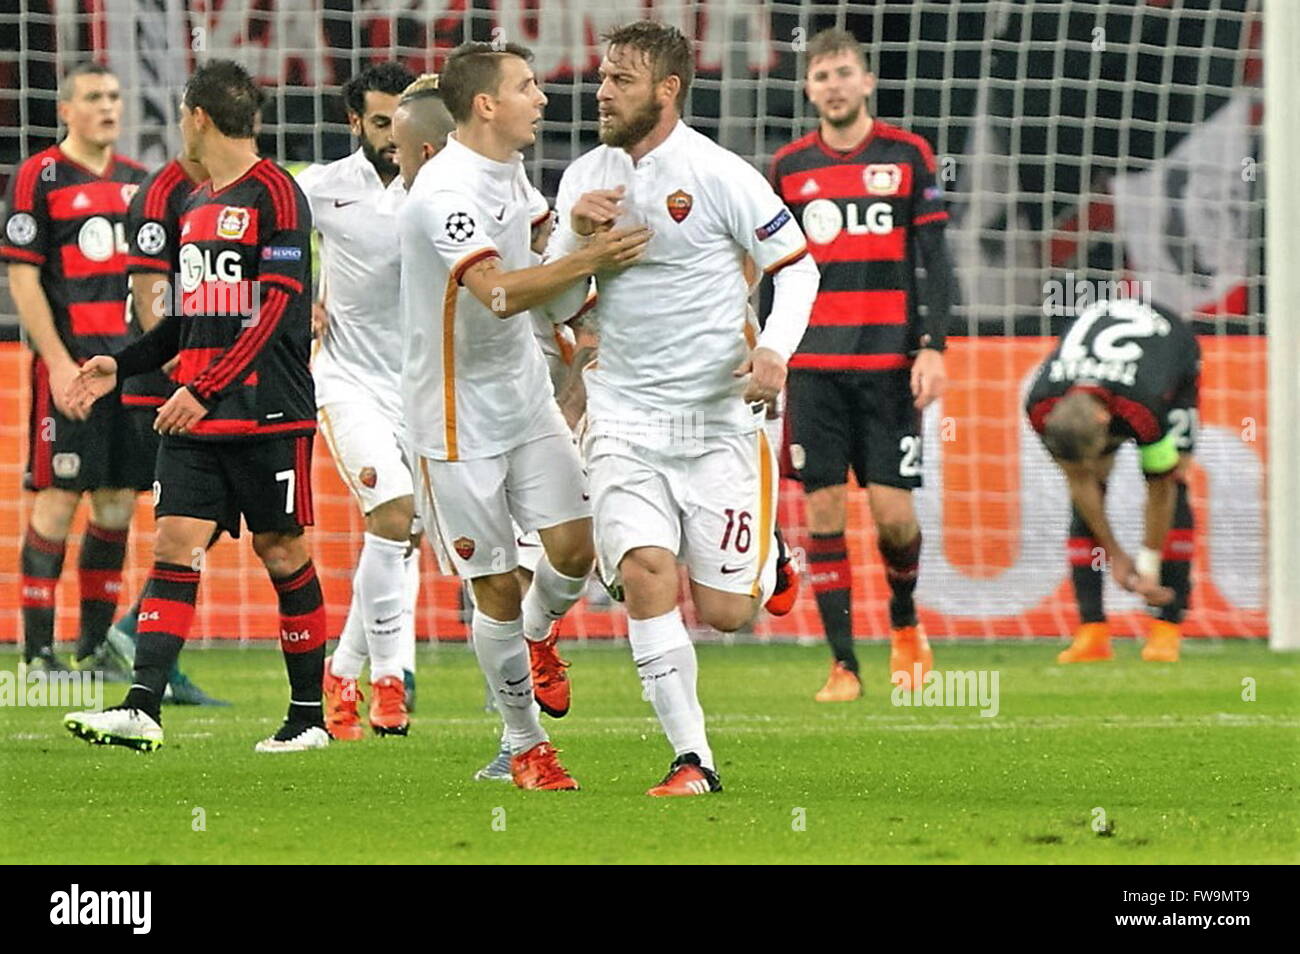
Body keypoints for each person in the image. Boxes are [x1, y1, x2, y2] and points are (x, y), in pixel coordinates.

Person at [544, 21, 818, 796]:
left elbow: (796, 270)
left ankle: (769, 555)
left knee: (729, 611)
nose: (602, 91)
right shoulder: (583, 179)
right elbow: (561, 304)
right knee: (645, 573)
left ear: (666, 90)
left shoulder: (718, 173)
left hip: (719, 419)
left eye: (621, 79)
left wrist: (775, 353)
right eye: (602, 76)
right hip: (624, 415)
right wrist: (578, 237)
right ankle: (693, 759)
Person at [399, 41, 650, 789]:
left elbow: (545, 261)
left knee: (576, 548)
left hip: (522, 393)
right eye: (528, 87)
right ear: (486, 105)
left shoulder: (509, 173)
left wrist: (573, 233)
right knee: (498, 585)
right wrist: (590, 258)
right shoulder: (443, 193)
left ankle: (538, 640)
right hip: (453, 418)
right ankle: (523, 744)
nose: (543, 98)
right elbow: (501, 293)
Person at [62, 59, 328, 753]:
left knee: (282, 552)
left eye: (183, 115)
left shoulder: (278, 195)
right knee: (175, 545)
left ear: (199, 117)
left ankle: (308, 718)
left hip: (268, 413)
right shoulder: (195, 202)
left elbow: (276, 308)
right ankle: (142, 706)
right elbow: (190, 318)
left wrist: (204, 387)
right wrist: (119, 365)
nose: (181, 127)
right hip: (196, 416)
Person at [769, 28, 954, 701]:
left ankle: (905, 621)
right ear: (809, 89)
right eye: (822, 76)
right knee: (821, 512)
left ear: (867, 81)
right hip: (813, 367)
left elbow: (936, 261)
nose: (835, 86)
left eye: (844, 73)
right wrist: (770, 348)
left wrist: (934, 345)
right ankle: (843, 664)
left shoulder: (907, 156)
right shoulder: (788, 168)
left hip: (887, 364)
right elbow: (776, 270)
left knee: (892, 515)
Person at [1, 63, 148, 678]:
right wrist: (59, 366)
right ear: (65, 109)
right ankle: (36, 655)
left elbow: (151, 288)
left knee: (115, 505)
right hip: (67, 373)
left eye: (114, 96)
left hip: (126, 373)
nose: (107, 107)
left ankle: (93, 652)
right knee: (57, 502)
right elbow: (23, 278)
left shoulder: (141, 183)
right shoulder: (40, 176)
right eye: (93, 97)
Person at [295, 62, 426, 738]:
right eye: (380, 122)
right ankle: (388, 679)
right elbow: (260, 238)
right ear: (355, 122)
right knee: (394, 514)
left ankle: (342, 672)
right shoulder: (320, 188)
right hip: (347, 381)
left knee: (403, 539)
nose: (392, 134)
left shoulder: (440, 186)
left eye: (401, 121)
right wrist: (294, 304)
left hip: (427, 390)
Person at [109, 143, 233, 707]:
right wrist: (188, 375)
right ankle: (144, 643)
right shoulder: (162, 193)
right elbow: (150, 295)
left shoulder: (226, 190)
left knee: (202, 519)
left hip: (203, 387)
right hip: (167, 388)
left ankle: (143, 635)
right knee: (186, 521)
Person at [1025, 296, 1198, 663]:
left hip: (1174, 353)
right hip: (1099, 378)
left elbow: (1159, 486)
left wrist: (1146, 565)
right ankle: (1093, 630)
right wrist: (1116, 556)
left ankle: (1167, 627)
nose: (1087, 469)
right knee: (1087, 488)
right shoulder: (1040, 405)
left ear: (1106, 423)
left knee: (1175, 478)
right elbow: (1078, 478)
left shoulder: (1144, 408)